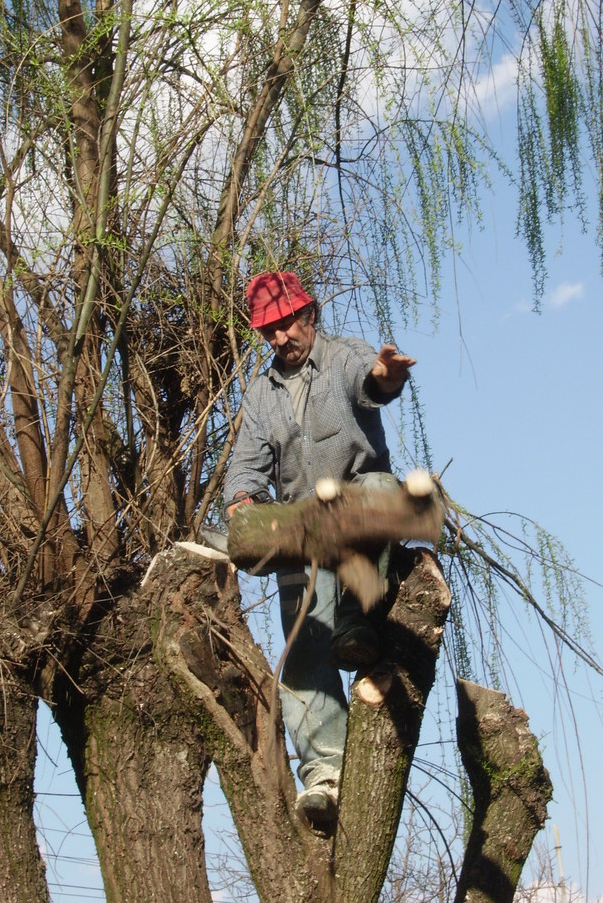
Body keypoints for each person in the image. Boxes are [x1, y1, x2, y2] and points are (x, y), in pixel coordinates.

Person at [223, 271, 415, 831]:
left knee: (382, 491)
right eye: (268, 331)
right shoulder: (261, 393)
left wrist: (387, 375)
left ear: (309, 316)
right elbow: (247, 462)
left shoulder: (343, 354)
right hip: (301, 528)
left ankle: (358, 620)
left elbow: (370, 381)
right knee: (304, 648)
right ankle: (325, 776)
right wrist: (241, 500)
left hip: (358, 501)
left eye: (286, 324)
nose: (280, 338)